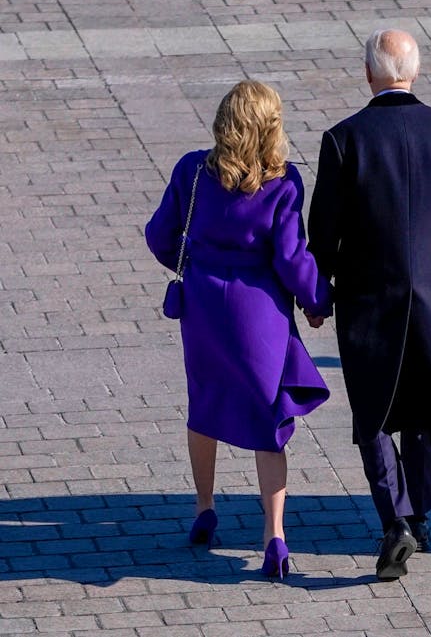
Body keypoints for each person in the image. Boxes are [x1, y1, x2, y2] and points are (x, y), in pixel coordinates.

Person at [306, 28, 431, 581]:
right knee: (422, 404)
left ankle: (395, 520)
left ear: (367, 74)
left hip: (368, 300)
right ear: (416, 70)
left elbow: (323, 231)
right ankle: (421, 514)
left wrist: (317, 293)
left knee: (374, 413)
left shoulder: (344, 139)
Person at [145, 80, 333, 578]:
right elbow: (292, 258)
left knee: (203, 402)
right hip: (259, 312)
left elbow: (160, 235)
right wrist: (318, 301)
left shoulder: (192, 170)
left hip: (204, 306)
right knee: (267, 420)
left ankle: (204, 507)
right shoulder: (284, 181)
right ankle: (274, 535)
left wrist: (195, 262)